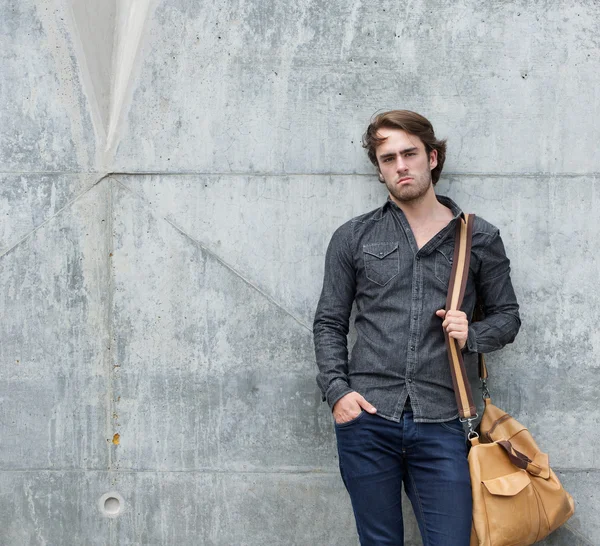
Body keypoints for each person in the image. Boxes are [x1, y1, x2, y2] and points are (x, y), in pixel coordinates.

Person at [313, 110, 521, 546]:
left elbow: (508, 316)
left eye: (409, 153)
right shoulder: (353, 237)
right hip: (367, 418)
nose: (400, 166)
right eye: (388, 159)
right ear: (380, 170)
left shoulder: (477, 237)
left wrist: (474, 334)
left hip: (444, 420)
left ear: (432, 157)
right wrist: (338, 393)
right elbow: (330, 322)